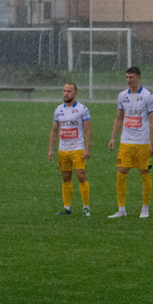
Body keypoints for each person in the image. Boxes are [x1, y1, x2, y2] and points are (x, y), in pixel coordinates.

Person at [108, 67, 153, 218]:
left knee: (144, 173)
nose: (129, 80)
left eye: (132, 77)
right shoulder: (122, 96)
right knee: (121, 173)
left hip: (142, 143)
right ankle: (121, 209)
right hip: (126, 142)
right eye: (127, 77)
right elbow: (119, 118)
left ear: (139, 78)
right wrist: (113, 137)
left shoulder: (148, 96)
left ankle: (145, 208)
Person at [48, 83, 92, 216]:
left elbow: (88, 130)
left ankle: (86, 207)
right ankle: (67, 208)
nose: (65, 93)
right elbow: (54, 130)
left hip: (77, 149)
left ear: (75, 93)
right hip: (63, 150)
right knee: (66, 178)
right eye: (64, 91)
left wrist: (87, 148)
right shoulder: (58, 110)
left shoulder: (82, 109)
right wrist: (51, 149)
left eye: (69, 91)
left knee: (81, 176)